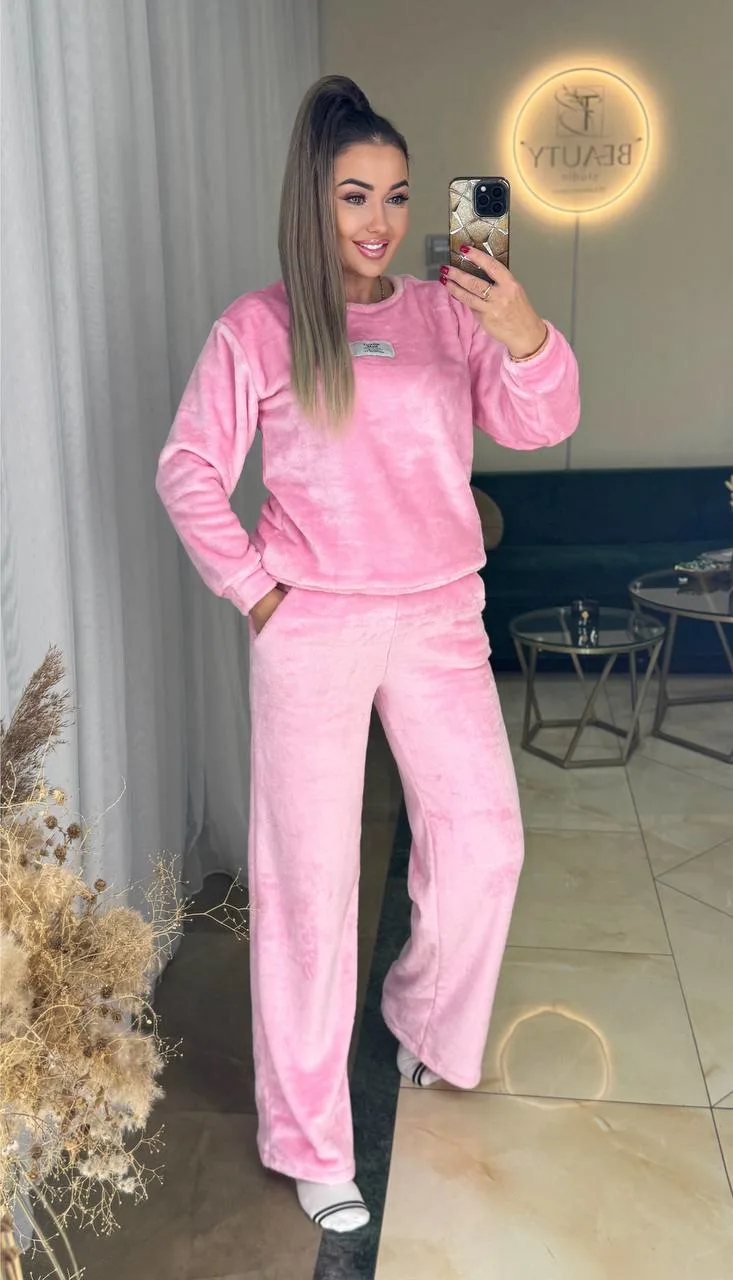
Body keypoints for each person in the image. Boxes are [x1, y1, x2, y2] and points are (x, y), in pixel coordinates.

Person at [156, 75, 580, 1234]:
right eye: (354, 195)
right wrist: (255, 590)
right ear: (313, 199)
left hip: (439, 616)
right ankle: (308, 1138)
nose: (380, 220)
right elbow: (187, 465)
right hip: (316, 625)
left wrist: (521, 328)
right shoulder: (260, 326)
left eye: (397, 195)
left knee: (484, 841)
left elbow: (541, 420)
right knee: (308, 883)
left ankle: (422, 1017)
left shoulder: (452, 313)